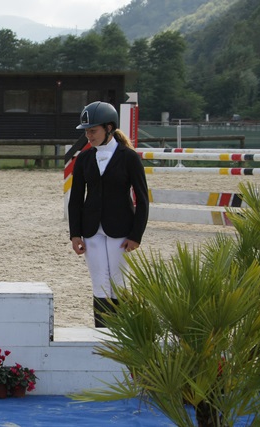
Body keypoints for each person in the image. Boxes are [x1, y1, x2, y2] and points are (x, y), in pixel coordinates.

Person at [68, 101, 149, 327]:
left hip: (121, 230)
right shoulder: (83, 158)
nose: (88, 136)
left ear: (109, 128)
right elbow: (75, 200)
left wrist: (136, 235)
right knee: (99, 282)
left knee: (118, 282)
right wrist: (75, 234)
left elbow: (142, 199)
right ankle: (101, 332)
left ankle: (122, 333)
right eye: (86, 131)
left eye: (93, 131)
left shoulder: (129, 157)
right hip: (91, 229)